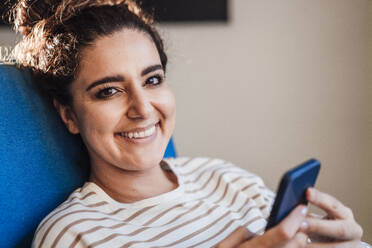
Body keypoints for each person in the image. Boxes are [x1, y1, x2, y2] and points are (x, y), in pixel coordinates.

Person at [6, 0, 365, 247]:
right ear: (69, 115)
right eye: (109, 91)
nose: (143, 109)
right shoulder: (74, 234)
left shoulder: (226, 178)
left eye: (152, 80)